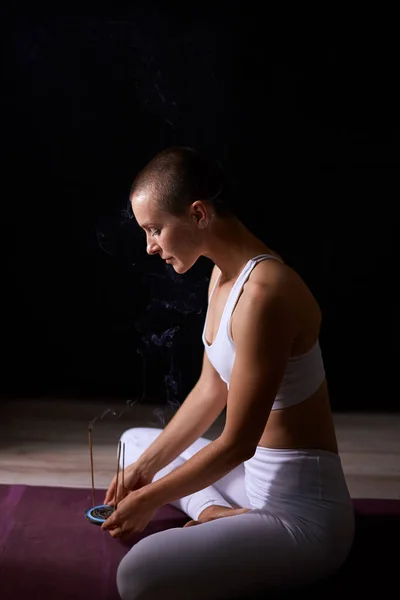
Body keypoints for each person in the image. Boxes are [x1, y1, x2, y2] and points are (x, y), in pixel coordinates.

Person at [102, 146, 355, 600]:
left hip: (301, 516)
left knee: (135, 576)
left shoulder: (265, 293)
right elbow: (208, 391)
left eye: (155, 229)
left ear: (199, 213)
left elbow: (238, 442)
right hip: (253, 482)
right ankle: (215, 511)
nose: (150, 246)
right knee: (132, 448)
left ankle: (213, 514)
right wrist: (144, 472)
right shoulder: (223, 275)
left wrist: (152, 497)